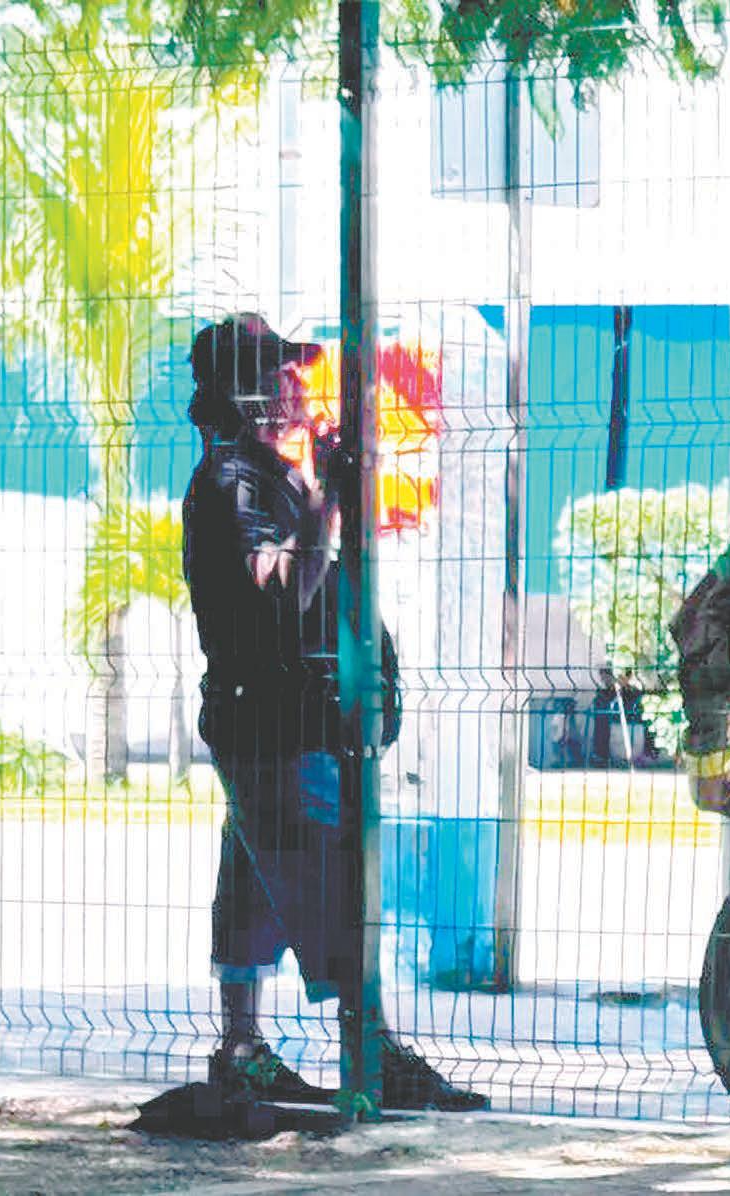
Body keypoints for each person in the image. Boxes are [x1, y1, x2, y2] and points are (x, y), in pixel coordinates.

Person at [182, 313, 485, 1112]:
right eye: (274, 370)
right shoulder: (235, 482)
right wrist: (325, 499)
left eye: (291, 367)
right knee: (331, 885)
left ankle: (241, 1049)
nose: (293, 382)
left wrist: (324, 490)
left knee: (254, 883)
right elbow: (284, 592)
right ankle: (370, 1053)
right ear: (240, 392)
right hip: (276, 725)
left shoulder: (262, 474)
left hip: (281, 722)